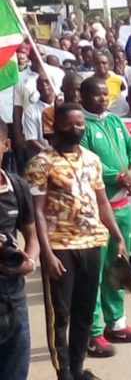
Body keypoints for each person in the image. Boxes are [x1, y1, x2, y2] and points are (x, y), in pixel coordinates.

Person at [27, 103, 128, 380]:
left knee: (85, 311)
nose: (76, 129)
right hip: (60, 248)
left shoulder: (92, 159)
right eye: (70, 124)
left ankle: (78, 367)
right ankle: (64, 373)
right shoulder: (41, 162)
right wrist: (46, 254)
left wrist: (117, 235)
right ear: (55, 127)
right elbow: (37, 210)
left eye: (80, 123)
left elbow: (102, 201)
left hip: (92, 243)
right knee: (61, 314)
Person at [79, 77, 131, 357]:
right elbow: (89, 162)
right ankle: (93, 333)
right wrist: (118, 176)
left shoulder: (116, 122)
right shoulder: (82, 127)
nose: (102, 99)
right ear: (83, 96)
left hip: (122, 205)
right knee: (95, 273)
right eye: (96, 95)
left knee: (118, 267)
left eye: (105, 94)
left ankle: (116, 323)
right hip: (97, 210)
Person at [0, 121, 39, 380]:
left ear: (6, 145)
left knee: (15, 372)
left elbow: (32, 235)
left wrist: (29, 261)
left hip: (13, 297)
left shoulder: (17, 186)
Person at [23, 75, 55, 157]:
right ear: (37, 87)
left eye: (47, 82)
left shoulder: (63, 106)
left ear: (53, 84)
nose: (44, 85)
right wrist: (48, 153)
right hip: (43, 156)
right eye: (40, 83)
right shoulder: (31, 110)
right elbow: (31, 139)